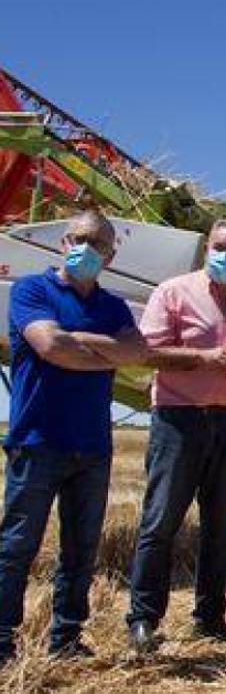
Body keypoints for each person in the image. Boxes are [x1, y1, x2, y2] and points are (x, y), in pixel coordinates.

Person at [126, 219, 226, 652]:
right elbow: (147, 352)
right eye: (219, 246)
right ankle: (143, 618)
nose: (225, 255)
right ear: (207, 247)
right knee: (161, 522)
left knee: (221, 527)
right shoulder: (173, 292)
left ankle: (210, 615)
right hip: (180, 418)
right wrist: (204, 357)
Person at [0, 211, 146, 664]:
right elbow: (51, 346)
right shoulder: (31, 290)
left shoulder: (114, 306)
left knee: (81, 551)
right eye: (78, 239)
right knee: (17, 546)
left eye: (97, 243)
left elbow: (138, 351)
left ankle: (66, 639)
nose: (86, 248)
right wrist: (103, 351)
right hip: (38, 439)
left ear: (111, 255)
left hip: (92, 445)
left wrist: (77, 340)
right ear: (64, 242)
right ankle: (3, 640)